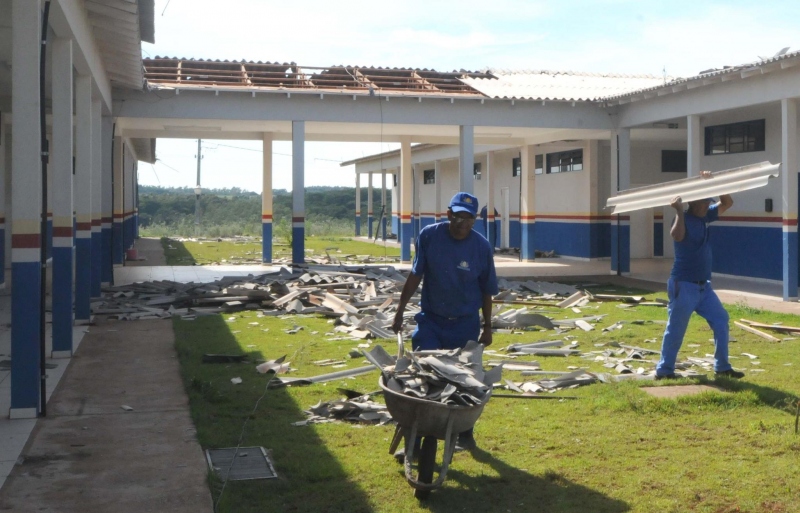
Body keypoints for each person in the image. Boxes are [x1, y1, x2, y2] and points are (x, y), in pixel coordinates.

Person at [392, 191, 499, 454]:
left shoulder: (481, 247)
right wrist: (399, 311)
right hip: (432, 321)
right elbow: (416, 275)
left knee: (467, 380)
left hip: (465, 324)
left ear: (474, 220)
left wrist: (487, 326)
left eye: (468, 217)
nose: (461, 222)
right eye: (457, 215)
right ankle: (414, 439)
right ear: (448, 214)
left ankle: (465, 432)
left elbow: (487, 289)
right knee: (422, 376)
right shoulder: (430, 235)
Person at [655, 171, 744, 380]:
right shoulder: (684, 219)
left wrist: (716, 181)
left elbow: (727, 202)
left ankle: (722, 367)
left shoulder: (706, 216)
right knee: (675, 329)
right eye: (704, 202)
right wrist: (678, 210)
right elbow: (676, 236)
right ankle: (664, 370)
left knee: (721, 319)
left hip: (704, 287)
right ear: (693, 203)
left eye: (708, 202)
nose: (707, 205)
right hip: (683, 285)